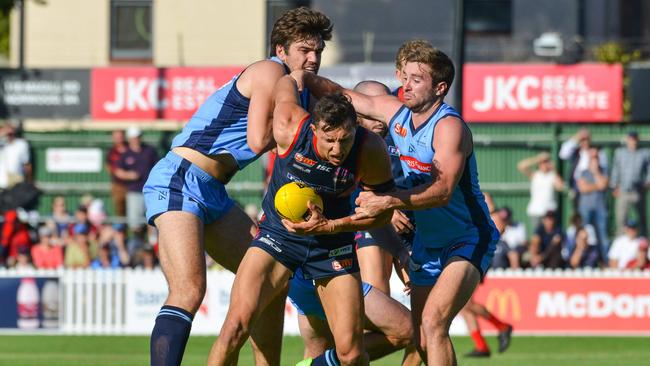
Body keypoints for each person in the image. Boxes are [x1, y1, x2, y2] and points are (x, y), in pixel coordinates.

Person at [141, 7, 333, 366]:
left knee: (272, 279)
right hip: (182, 176)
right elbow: (259, 138)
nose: (313, 58)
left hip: (213, 190)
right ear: (281, 50)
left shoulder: (300, 93)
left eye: (318, 50)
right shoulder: (268, 71)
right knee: (189, 289)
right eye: (304, 50)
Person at [294, 39, 499, 365]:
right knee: (420, 336)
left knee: (433, 323)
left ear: (440, 88)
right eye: (404, 77)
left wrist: (387, 201)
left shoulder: (449, 128)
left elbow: (442, 190)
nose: (406, 85)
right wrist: (298, 78)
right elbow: (342, 93)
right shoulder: (396, 112)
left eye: (417, 79)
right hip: (426, 244)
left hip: (467, 237)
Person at [210, 77, 395, 366]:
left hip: (333, 244)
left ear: (355, 130)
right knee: (234, 329)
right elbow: (284, 81)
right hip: (278, 237)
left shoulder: (369, 149)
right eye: (329, 140)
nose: (337, 150)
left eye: (345, 139)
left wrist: (333, 225)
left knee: (352, 354)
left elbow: (383, 213)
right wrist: (302, 76)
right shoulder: (288, 126)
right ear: (313, 130)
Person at [115, 126, 159, 230]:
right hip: (134, 191)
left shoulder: (149, 151)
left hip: (150, 191)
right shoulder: (126, 154)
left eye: (138, 137)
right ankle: (137, 242)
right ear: (129, 139)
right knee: (135, 222)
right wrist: (129, 175)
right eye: (134, 137)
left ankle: (152, 243)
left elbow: (158, 166)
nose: (136, 140)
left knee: (152, 220)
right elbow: (118, 171)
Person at [611, 131, 650, 235]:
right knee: (621, 219)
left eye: (635, 140)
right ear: (627, 140)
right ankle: (620, 243)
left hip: (637, 191)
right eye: (631, 139)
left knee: (641, 218)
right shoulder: (620, 153)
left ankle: (644, 242)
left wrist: (647, 182)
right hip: (623, 191)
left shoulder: (644, 153)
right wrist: (614, 186)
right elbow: (616, 169)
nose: (633, 142)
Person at [576, 146, 610, 263]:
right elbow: (582, 188)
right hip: (585, 208)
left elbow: (604, 185)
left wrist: (596, 173)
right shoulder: (583, 172)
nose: (594, 160)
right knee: (585, 236)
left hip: (600, 209)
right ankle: (585, 261)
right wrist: (597, 186)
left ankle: (605, 262)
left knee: (603, 236)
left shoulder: (603, 171)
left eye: (596, 158)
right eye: (592, 158)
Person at [559, 128, 608, 209]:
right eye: (582, 140)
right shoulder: (576, 152)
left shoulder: (598, 152)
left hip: (593, 185)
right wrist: (577, 136)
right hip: (577, 186)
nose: (584, 142)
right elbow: (563, 153)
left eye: (586, 139)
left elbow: (604, 168)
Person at [517, 152, 564, 229]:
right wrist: (537, 158)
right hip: (536, 211)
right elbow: (521, 166)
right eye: (542, 163)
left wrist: (554, 169)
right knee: (538, 235)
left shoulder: (552, 176)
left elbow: (560, 187)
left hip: (549, 211)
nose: (544, 165)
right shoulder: (535, 175)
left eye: (546, 162)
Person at [0, 122, 32, 189]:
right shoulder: (2, 143)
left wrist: (29, 180)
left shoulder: (21, 144)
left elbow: (27, 164)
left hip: (16, 180)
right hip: (2, 181)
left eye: (10, 134)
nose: (8, 136)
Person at [106, 129, 128, 217]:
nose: (119, 139)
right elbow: (110, 168)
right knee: (120, 211)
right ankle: (121, 230)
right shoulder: (111, 152)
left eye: (120, 136)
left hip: (134, 185)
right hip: (118, 185)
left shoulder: (130, 149)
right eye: (116, 137)